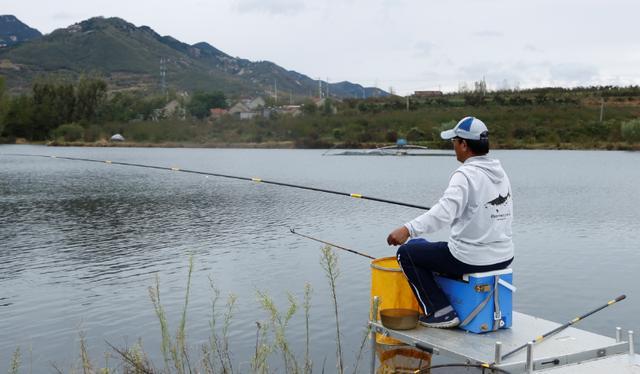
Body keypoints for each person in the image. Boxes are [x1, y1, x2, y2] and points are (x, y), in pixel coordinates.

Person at [386, 116, 513, 328]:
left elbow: (443, 213)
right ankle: (447, 303)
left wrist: (408, 229)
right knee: (418, 246)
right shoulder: (500, 173)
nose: (453, 146)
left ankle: (440, 312)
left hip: (471, 258)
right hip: (504, 257)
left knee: (406, 253)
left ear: (464, 144)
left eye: (454, 141)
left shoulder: (465, 174)